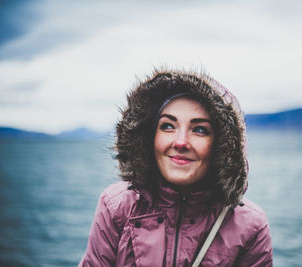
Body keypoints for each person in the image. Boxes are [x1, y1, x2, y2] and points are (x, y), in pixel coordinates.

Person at [79, 69, 273, 266]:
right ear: (149, 136)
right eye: (168, 126)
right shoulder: (116, 207)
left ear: (221, 145)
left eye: (199, 130)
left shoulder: (251, 227)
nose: (181, 142)